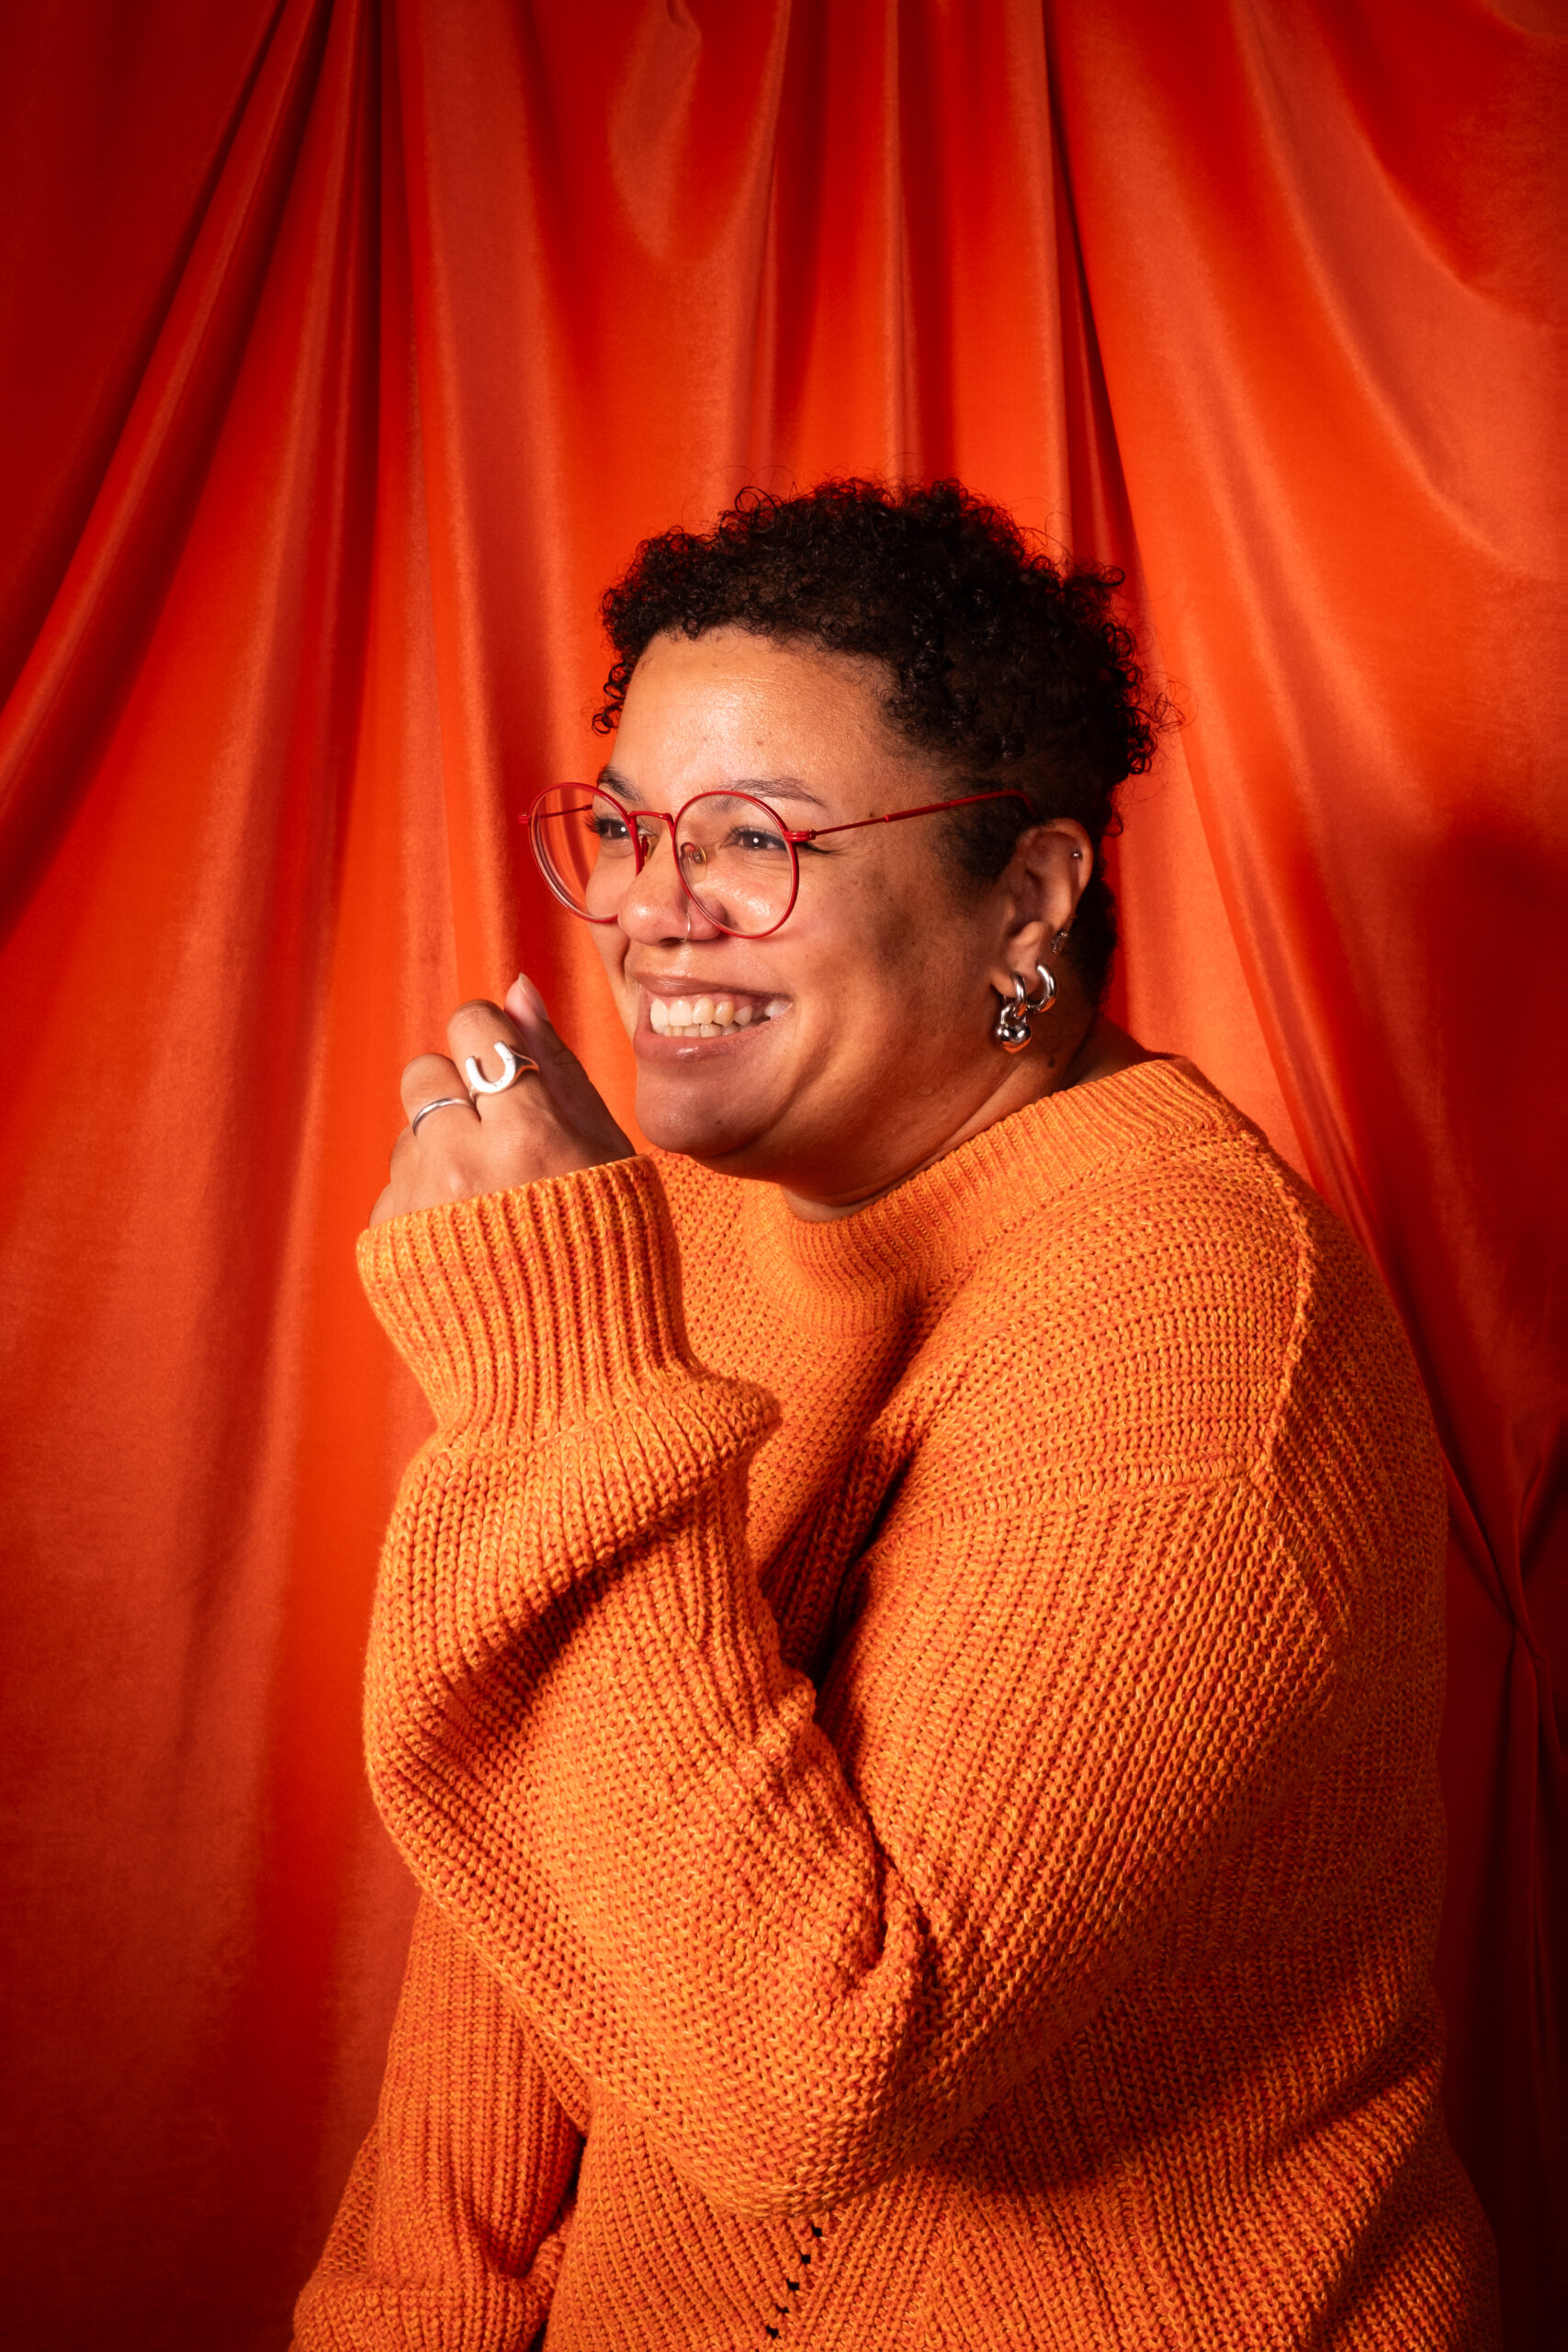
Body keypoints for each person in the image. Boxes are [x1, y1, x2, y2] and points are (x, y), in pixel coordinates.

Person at [294, 481, 1498, 2349]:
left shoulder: (1188, 1314)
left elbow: (804, 2077)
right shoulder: (686, 1218)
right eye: (621, 825)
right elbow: (532, 1903)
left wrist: (564, 1366)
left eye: (754, 836)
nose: (643, 908)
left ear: (1025, 889)